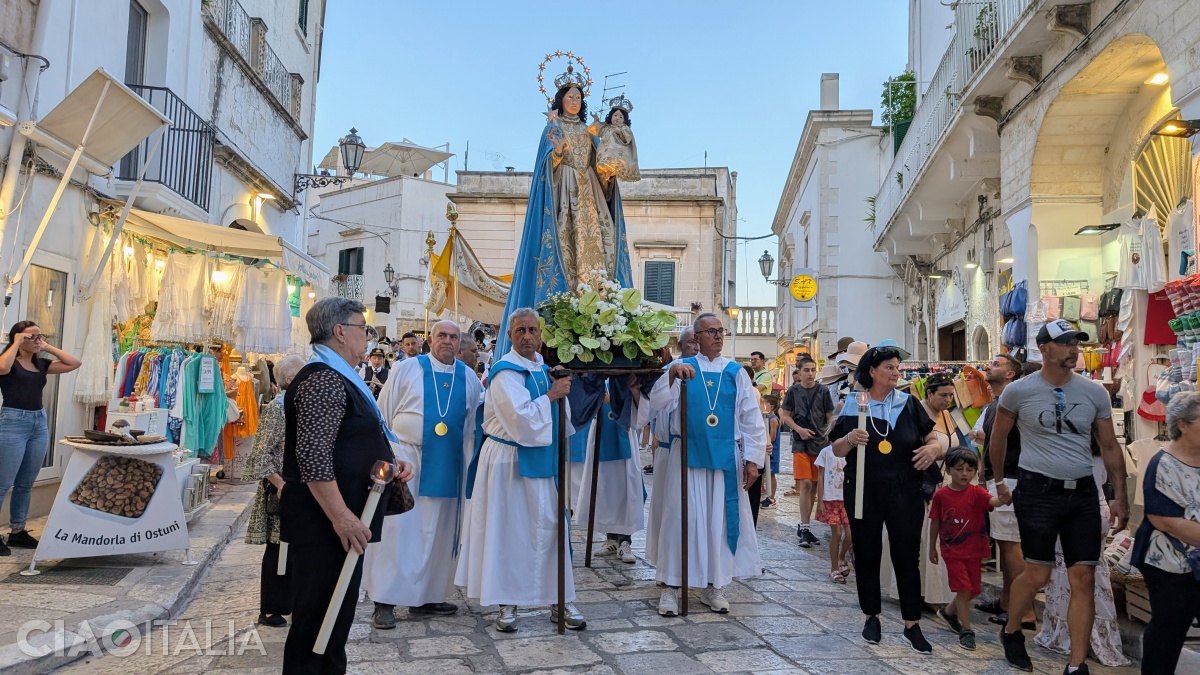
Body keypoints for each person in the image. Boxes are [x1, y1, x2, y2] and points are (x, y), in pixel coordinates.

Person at [279, 298, 415, 674]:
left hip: (339, 522)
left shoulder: (337, 375)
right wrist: (341, 517)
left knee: (332, 621)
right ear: (340, 332)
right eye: (363, 328)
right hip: (326, 525)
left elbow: (347, 442)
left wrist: (389, 460)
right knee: (319, 624)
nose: (367, 337)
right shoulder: (323, 378)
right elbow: (313, 457)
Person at [989, 320, 1128, 673]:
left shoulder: (1093, 391)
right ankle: (1012, 629)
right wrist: (1000, 482)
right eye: (1065, 343)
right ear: (1045, 349)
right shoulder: (1018, 391)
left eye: (1076, 343)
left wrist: (1118, 495)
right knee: (1038, 573)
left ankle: (1076, 664)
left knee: (1082, 576)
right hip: (1037, 490)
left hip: (1081, 490)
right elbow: (998, 438)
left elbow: (1110, 445)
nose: (1073, 349)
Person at [455, 308, 583, 632]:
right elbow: (521, 420)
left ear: (541, 335)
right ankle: (506, 603)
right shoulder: (504, 372)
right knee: (508, 533)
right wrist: (553, 395)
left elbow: (561, 418)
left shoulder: (544, 368)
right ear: (510, 336)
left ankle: (561, 598)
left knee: (552, 529)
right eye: (520, 330)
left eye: (533, 330)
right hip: (509, 461)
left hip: (542, 461)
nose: (527, 336)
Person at [493, 70, 634, 357]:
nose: (575, 101)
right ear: (560, 99)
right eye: (570, 96)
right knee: (567, 245)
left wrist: (608, 174)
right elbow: (545, 167)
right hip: (565, 193)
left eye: (579, 97)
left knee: (599, 250)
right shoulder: (552, 128)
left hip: (590, 193)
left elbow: (602, 166)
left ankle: (599, 304)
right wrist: (556, 154)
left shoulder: (591, 132)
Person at [645, 313, 767, 617]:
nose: (717, 336)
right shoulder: (684, 369)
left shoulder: (736, 372)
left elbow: (751, 418)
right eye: (710, 331)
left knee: (719, 521)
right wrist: (671, 376)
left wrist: (753, 460)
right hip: (686, 457)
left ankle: (714, 584)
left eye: (720, 331)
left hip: (725, 459)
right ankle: (672, 587)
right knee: (679, 519)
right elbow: (656, 404)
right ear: (696, 338)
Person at [364, 320, 483, 628]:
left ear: (460, 344)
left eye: (453, 337)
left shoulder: (469, 377)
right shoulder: (408, 369)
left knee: (439, 534)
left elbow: (470, 425)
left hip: (448, 464)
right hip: (408, 460)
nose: (447, 341)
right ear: (430, 339)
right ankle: (385, 600)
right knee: (399, 533)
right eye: (441, 335)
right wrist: (391, 455)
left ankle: (429, 596)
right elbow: (383, 412)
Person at [829, 345, 940, 653]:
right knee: (867, 553)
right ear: (872, 371)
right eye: (889, 367)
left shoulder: (908, 403)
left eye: (896, 367)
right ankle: (871, 616)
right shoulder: (852, 404)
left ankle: (912, 623)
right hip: (864, 488)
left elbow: (934, 438)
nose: (895, 372)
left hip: (904, 489)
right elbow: (836, 449)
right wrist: (850, 439)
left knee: (906, 555)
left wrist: (933, 450)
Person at [1034, 435, 1129, 667]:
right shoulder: (1102, 446)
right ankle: (1101, 638)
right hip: (1098, 510)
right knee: (1094, 575)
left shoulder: (1061, 446)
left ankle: (1069, 638)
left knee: (1067, 576)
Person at [1132, 392, 1200, 675]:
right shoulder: (1163, 464)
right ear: (1182, 425)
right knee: (1169, 630)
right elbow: (1165, 520)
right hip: (1171, 563)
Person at [0, 320, 81, 554]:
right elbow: (3, 369)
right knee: (3, 483)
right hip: (13, 422)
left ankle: (17, 532)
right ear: (17, 337)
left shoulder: (41, 364)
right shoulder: (9, 362)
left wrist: (46, 346)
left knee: (25, 483)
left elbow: (74, 363)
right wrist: (16, 343)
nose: (37, 340)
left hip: (38, 423)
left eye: (40, 336)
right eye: (31, 337)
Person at [974, 353, 1036, 629]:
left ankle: (1025, 611)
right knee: (1005, 546)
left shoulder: (1014, 401)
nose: (990, 366)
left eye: (997, 364)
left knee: (1012, 548)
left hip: (1011, 477)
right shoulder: (996, 404)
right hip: (1000, 477)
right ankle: (1007, 602)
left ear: (1011, 373)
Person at [244, 354, 305, 627]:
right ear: (291, 379)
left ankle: (291, 603)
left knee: (294, 549)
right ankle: (271, 608)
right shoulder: (277, 409)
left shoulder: (297, 406)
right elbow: (260, 456)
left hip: (297, 489)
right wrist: (281, 485)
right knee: (277, 548)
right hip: (280, 490)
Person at [929, 447, 1007, 651]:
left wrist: (1005, 497)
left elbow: (993, 501)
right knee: (963, 588)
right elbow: (935, 522)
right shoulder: (941, 496)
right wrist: (932, 548)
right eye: (959, 469)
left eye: (969, 469)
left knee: (974, 589)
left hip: (975, 550)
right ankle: (967, 629)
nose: (964, 474)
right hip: (952, 551)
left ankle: (948, 612)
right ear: (948, 470)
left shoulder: (977, 492)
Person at [576, 382, 645, 564]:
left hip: (623, 430)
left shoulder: (627, 374)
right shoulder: (597, 376)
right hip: (601, 429)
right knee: (604, 485)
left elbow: (639, 402)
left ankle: (625, 542)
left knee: (625, 487)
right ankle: (611, 539)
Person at [780, 355, 833, 548]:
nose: (810, 374)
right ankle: (804, 526)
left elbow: (829, 417)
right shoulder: (793, 391)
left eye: (813, 370)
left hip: (820, 443)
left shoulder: (823, 391)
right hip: (800, 443)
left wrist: (828, 437)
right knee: (805, 484)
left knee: (813, 484)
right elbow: (785, 415)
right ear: (799, 372)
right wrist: (799, 430)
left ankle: (806, 525)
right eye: (806, 370)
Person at [814, 441, 850, 584]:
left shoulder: (850, 452)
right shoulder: (826, 452)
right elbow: (820, 476)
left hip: (847, 499)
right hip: (831, 498)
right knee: (837, 533)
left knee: (850, 534)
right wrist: (820, 500)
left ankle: (842, 556)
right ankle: (834, 567)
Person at [593, 96, 640, 184]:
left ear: (624, 120)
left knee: (611, 157)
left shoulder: (624, 128)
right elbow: (598, 131)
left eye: (620, 117)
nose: (617, 118)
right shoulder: (607, 127)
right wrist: (596, 120)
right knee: (605, 159)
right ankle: (606, 172)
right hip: (604, 149)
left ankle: (610, 172)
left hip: (616, 151)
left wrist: (620, 132)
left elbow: (627, 139)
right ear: (611, 116)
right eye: (615, 115)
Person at [761, 394, 781, 508]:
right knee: (767, 472)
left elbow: (772, 437)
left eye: (764, 403)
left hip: (773, 451)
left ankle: (772, 497)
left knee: (771, 474)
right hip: (766, 450)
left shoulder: (773, 420)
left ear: (771, 406)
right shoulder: (767, 418)